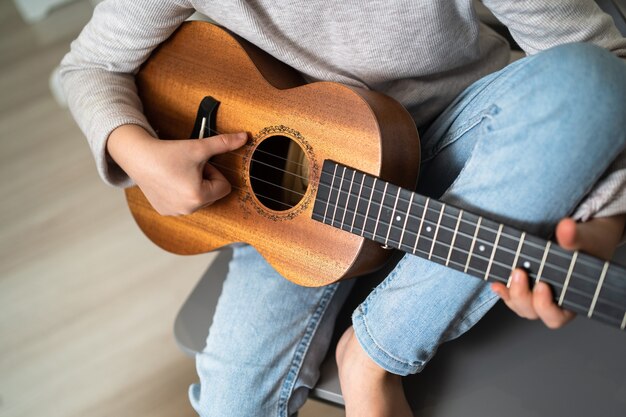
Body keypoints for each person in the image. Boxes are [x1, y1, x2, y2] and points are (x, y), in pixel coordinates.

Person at [60, 1, 626, 416]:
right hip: (293, 208)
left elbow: (605, 66)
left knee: (587, 82)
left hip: (465, 137)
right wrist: (134, 152)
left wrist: (603, 221)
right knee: (232, 405)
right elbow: (88, 67)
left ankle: (375, 353)